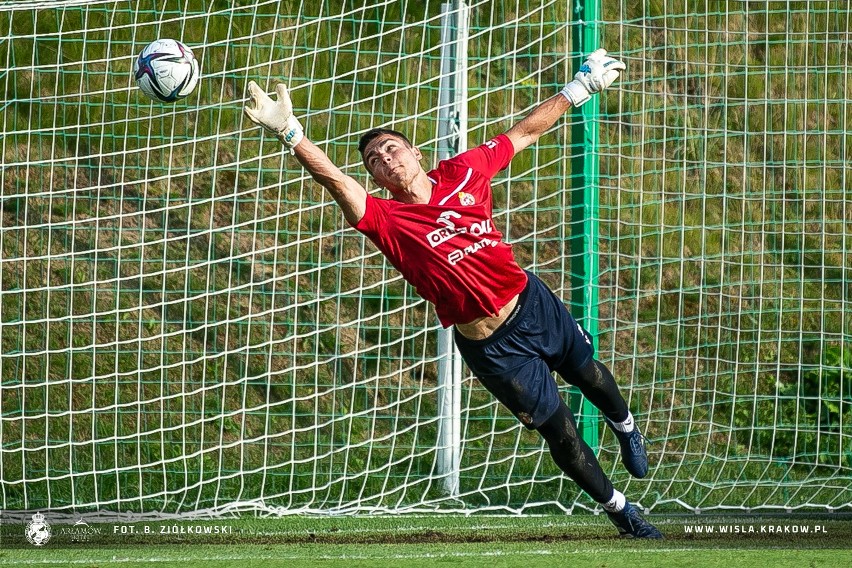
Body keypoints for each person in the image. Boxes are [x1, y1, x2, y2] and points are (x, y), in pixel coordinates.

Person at [244, 48, 662, 539]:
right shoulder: (386, 220)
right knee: (560, 432)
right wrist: (291, 133)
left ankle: (627, 428)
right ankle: (621, 510)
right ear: (375, 178)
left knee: (588, 373)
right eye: (375, 161)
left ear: (416, 152)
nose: (384, 160)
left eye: (392, 149)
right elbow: (334, 179)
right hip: (490, 347)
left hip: (529, 303)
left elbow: (524, 132)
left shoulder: (465, 171)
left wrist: (580, 88)